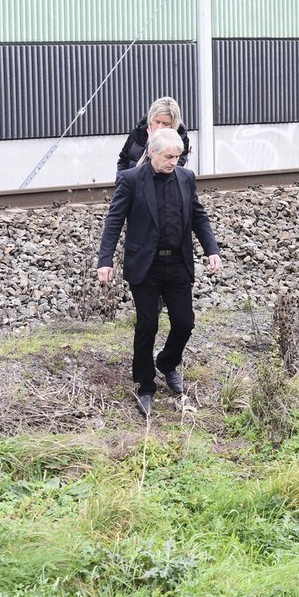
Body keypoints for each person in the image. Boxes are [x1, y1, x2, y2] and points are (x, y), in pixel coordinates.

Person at [97, 127, 222, 416]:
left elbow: (198, 217)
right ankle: (145, 384)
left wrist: (212, 250)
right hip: (145, 265)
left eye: (178, 157)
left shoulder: (186, 178)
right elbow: (114, 221)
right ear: (152, 153)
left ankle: (166, 363)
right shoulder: (130, 180)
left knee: (185, 323)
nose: (174, 162)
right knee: (147, 325)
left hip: (178, 263)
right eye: (169, 156)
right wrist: (105, 260)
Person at [117, 96, 191, 174]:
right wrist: (123, 180)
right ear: (151, 119)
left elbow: (172, 170)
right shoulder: (138, 133)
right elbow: (123, 161)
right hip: (132, 183)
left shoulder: (180, 141)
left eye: (166, 124)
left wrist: (153, 143)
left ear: (174, 125)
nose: (160, 127)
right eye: (157, 122)